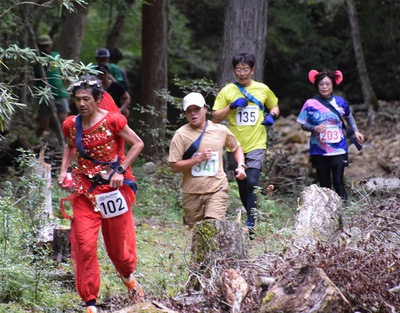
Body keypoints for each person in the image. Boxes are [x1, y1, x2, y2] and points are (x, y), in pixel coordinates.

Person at [57, 76, 144, 313]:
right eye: (77, 99)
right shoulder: (71, 124)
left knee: (118, 249)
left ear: (98, 99)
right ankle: (90, 303)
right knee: (84, 245)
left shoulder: (113, 120)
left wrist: (120, 169)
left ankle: (128, 278)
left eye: (87, 99)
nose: (82, 104)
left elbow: (137, 143)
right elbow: (70, 145)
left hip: (112, 192)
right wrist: (64, 170)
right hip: (85, 193)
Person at [212, 52, 280, 235]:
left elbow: (274, 105)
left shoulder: (262, 89)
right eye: (238, 69)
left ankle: (251, 224)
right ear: (234, 71)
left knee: (252, 181)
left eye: (245, 69)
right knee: (242, 185)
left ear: (253, 70)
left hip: (257, 143)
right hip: (234, 145)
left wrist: (271, 116)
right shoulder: (227, 91)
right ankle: (251, 214)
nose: (242, 73)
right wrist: (231, 106)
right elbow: (215, 117)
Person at [169, 92, 247, 228]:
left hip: (217, 188)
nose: (193, 114)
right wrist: (198, 159)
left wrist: (241, 166)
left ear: (205, 109)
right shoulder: (180, 135)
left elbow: (236, 147)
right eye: (189, 111)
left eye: (197, 109)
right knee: (197, 234)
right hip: (192, 192)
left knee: (213, 227)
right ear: (185, 113)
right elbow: (175, 167)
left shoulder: (220, 130)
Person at [297, 69, 364, 200]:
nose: (324, 87)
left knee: (338, 181)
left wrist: (356, 131)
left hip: (338, 148)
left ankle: (343, 212)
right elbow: (303, 124)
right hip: (319, 151)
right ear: (317, 86)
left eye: (327, 84)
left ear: (333, 85)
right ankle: (327, 214)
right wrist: (314, 127)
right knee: (324, 185)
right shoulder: (310, 104)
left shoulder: (341, 102)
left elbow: (349, 117)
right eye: (321, 84)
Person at [34, 34, 70, 137]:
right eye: (43, 46)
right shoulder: (37, 60)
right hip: (45, 95)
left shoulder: (56, 56)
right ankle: (35, 141)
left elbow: (63, 72)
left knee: (65, 122)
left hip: (60, 94)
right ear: (38, 47)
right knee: (43, 125)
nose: (46, 48)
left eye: (47, 45)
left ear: (51, 45)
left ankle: (66, 144)